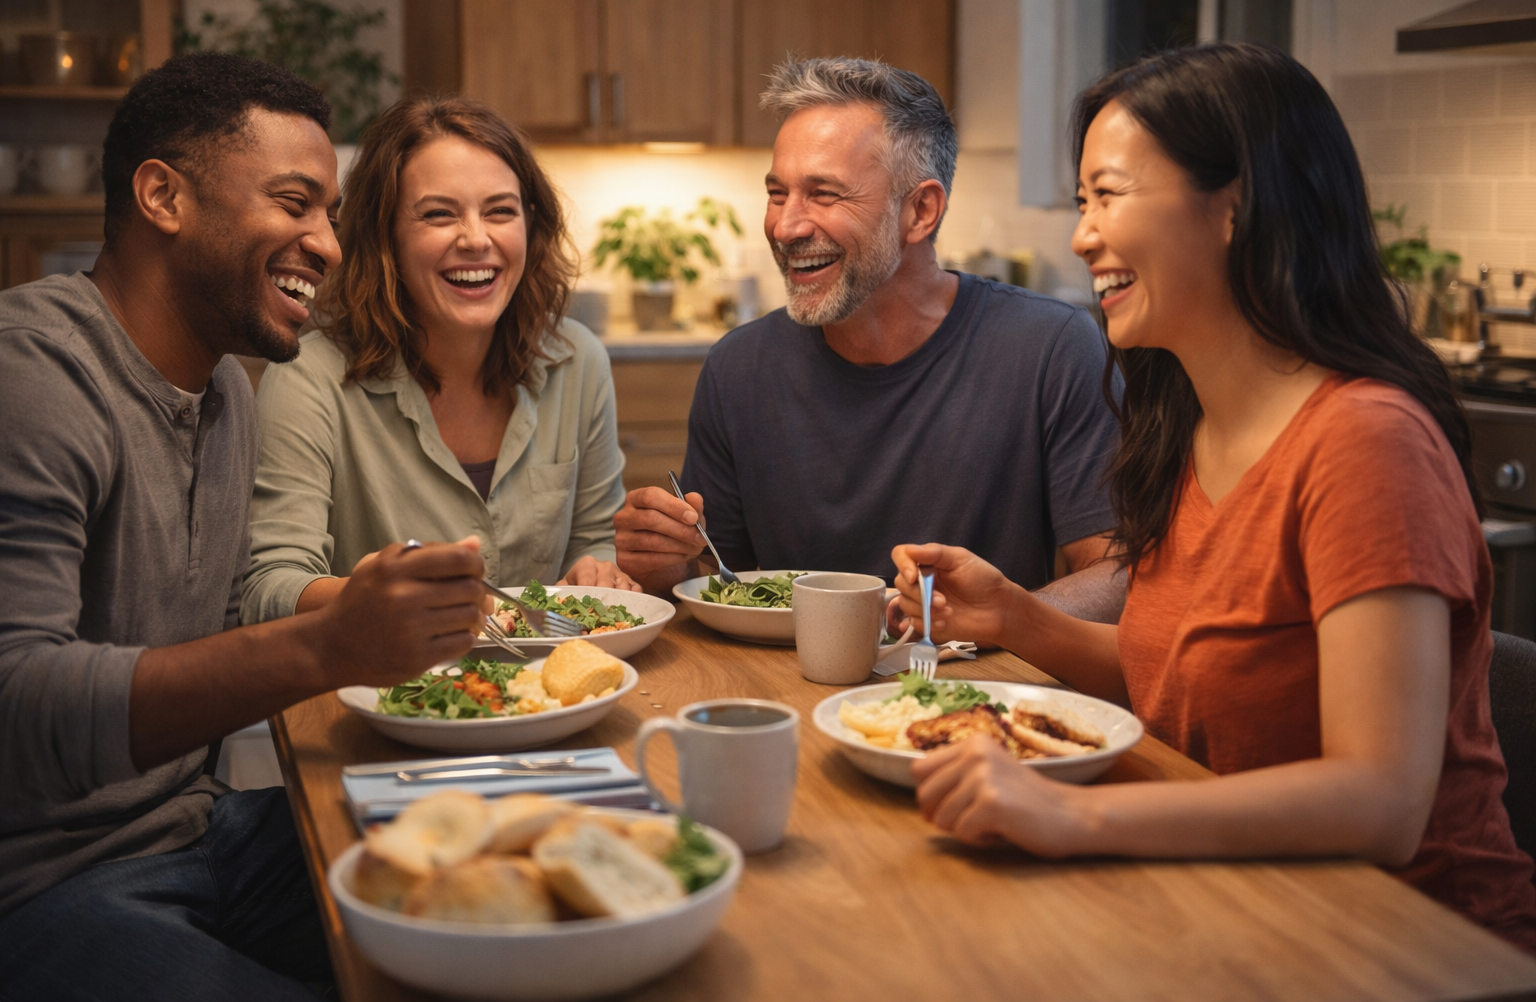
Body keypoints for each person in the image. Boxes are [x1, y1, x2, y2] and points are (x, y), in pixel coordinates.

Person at [892, 42, 1536, 950]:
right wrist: (1013, 617)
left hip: (1406, 945)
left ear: (1233, 206)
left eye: (1108, 195)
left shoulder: (1365, 442)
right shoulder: (1188, 426)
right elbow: (1185, 675)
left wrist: (1071, 815)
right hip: (1228, 901)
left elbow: (1381, 802)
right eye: (1082, 203)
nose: (1082, 237)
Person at [0, 54, 491, 1000]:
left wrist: (377, 632)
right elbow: (15, 702)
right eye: (295, 203)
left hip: (199, 831)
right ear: (163, 196)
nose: (330, 246)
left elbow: (217, 640)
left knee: (513, 883)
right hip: (41, 885)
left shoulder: (226, 389)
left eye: (330, 216)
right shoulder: (33, 373)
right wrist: (327, 644)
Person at [613, 57, 1123, 620]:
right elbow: (719, 580)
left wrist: (1001, 621)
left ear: (921, 211)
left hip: (974, 674)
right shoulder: (738, 368)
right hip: (787, 673)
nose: (785, 226)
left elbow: (1115, 575)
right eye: (778, 193)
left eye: (824, 194)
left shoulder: (1049, 348)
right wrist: (664, 566)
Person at [240, 96, 634, 628]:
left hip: (551, 675)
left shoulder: (578, 361)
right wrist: (369, 595)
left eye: (500, 211)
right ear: (386, 238)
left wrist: (599, 570)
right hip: (387, 677)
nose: (476, 239)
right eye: (438, 214)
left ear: (530, 224)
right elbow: (268, 587)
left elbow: (596, 539)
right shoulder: (307, 380)